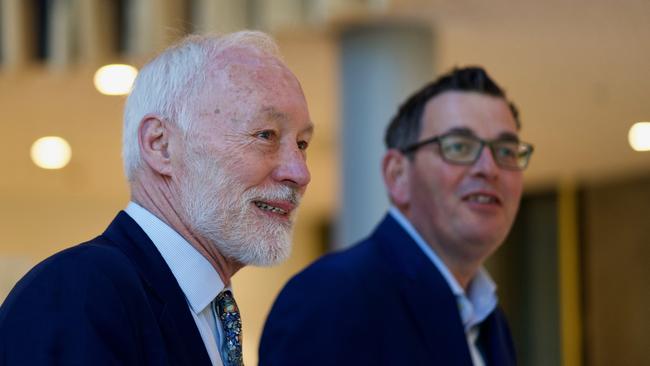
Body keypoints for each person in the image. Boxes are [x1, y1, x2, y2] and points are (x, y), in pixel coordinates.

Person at [0, 31, 313, 366]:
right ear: (160, 145)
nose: (300, 173)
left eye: (302, 144)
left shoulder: (203, 311)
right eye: (265, 135)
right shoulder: (79, 292)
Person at [259, 66, 534, 365]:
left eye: (506, 151)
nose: (489, 168)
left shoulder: (490, 319)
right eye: (459, 146)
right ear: (397, 174)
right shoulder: (330, 298)